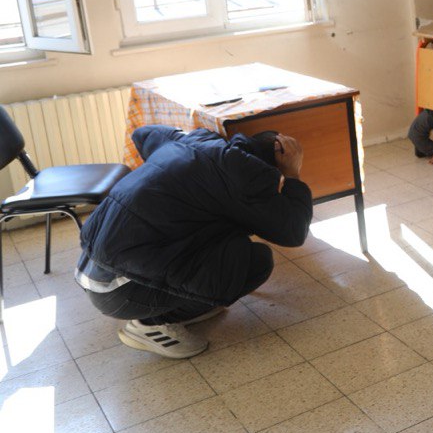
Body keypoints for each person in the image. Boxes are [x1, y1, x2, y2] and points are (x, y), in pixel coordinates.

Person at [75, 126, 312, 358]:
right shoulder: (244, 174)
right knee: (255, 261)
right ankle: (152, 324)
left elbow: (143, 133)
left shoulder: (191, 142)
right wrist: (292, 174)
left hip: (91, 267)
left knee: (225, 233)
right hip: (119, 289)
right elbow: (294, 232)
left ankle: (182, 304)